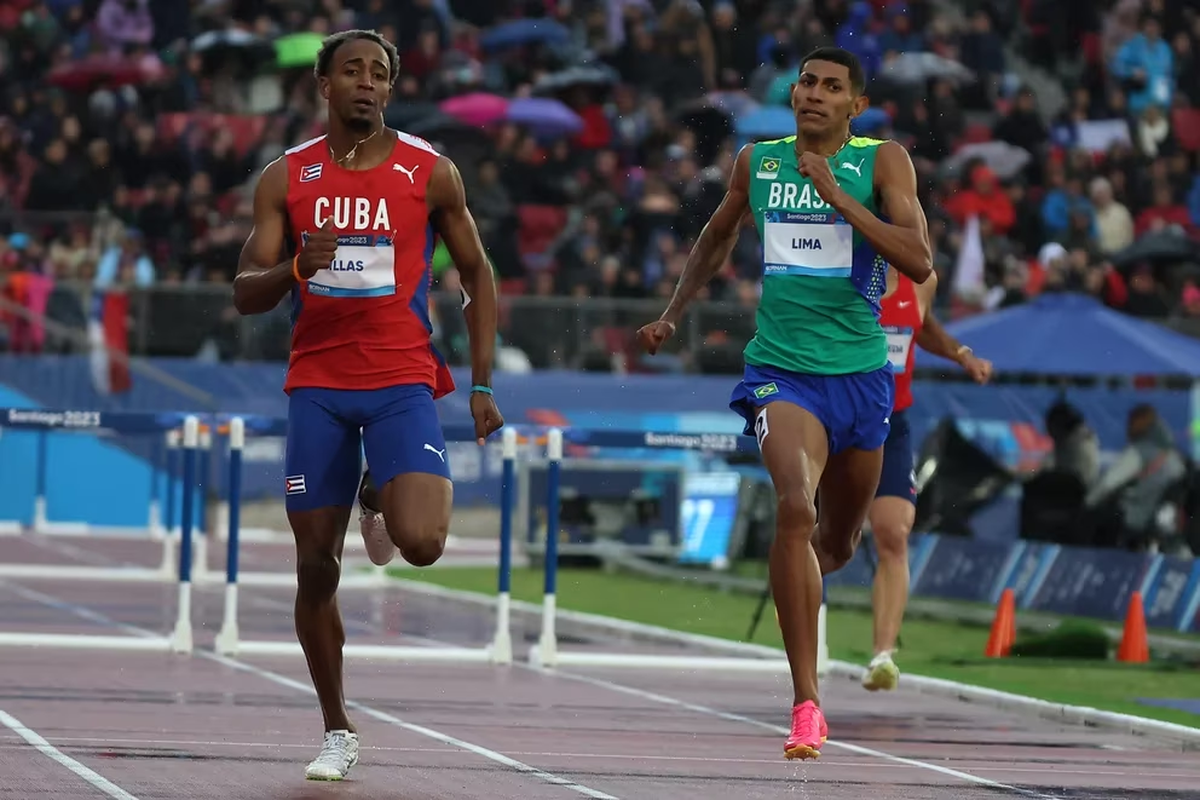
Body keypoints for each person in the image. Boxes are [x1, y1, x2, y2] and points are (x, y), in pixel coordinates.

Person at [637, 46, 932, 760]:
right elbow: (716, 236)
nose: (815, 95)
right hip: (781, 371)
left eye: (832, 87)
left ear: (854, 105)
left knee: (837, 543)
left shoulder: (882, 161)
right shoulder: (758, 162)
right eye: (807, 82)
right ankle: (806, 704)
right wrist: (674, 312)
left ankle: (802, 585)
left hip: (863, 379)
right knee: (795, 508)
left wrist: (837, 195)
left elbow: (918, 258)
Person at [231, 29, 504, 781]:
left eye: (378, 74)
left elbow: (479, 275)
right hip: (318, 385)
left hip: (400, 380)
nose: (365, 83)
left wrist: (481, 384)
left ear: (390, 88)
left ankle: (377, 488)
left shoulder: (430, 171)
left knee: (421, 543)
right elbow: (243, 292)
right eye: (350, 70)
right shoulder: (285, 178)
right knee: (316, 570)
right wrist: (293, 267)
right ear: (323, 83)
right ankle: (337, 726)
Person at [861, 266, 992, 693]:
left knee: (894, 533)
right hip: (839, 416)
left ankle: (882, 655)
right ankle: (805, 629)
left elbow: (922, 324)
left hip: (891, 422)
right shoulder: (842, 268)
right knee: (830, 539)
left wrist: (961, 353)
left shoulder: (922, 280)